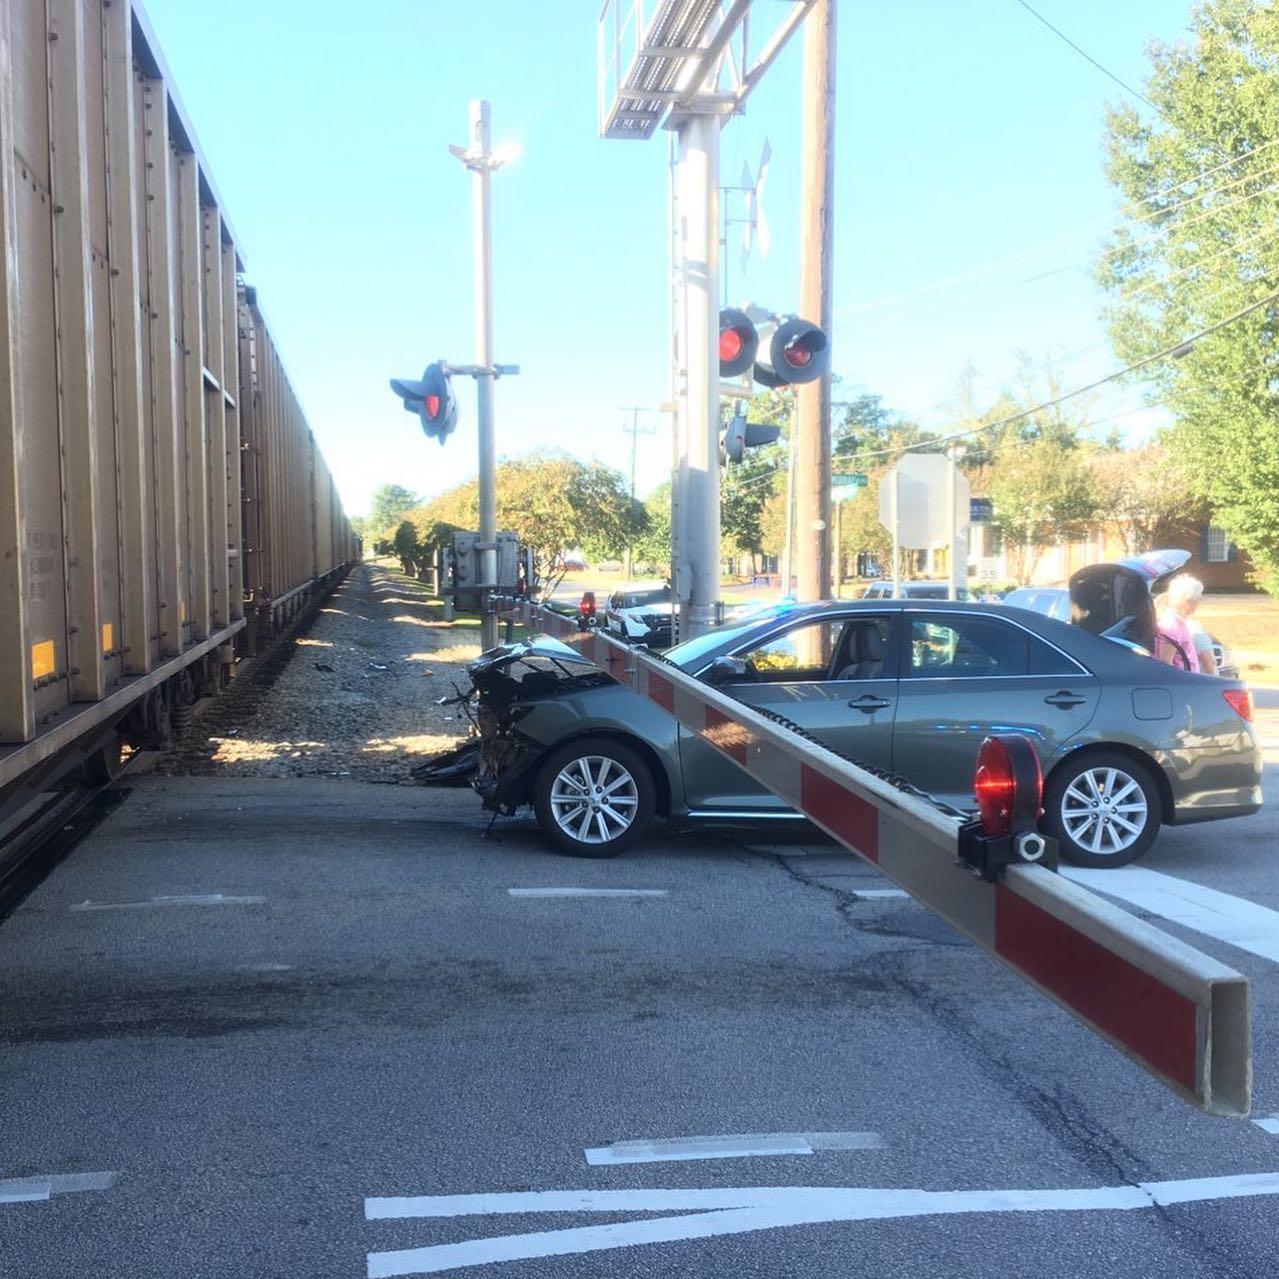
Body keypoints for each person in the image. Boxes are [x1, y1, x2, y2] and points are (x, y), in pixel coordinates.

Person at [1156, 574, 1211, 673]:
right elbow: (1166, 662)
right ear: (1187, 603)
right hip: (1181, 684)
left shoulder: (1178, 622)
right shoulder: (1172, 626)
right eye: (1198, 599)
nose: (1199, 603)